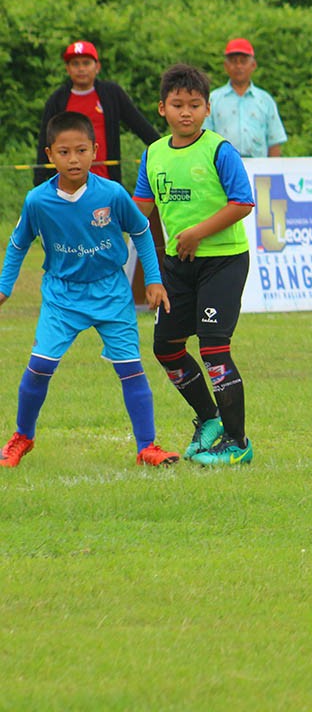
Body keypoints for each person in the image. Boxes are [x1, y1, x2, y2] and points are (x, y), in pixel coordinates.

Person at [0, 112, 178, 468]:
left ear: (95, 151)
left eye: (81, 150)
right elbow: (18, 244)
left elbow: (141, 232)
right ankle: (22, 436)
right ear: (50, 155)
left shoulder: (111, 194)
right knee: (39, 367)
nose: (73, 159)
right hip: (62, 296)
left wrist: (155, 280)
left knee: (131, 369)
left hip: (111, 292)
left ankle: (147, 446)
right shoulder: (37, 200)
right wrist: (4, 286)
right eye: (64, 152)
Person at [133, 64, 255, 466]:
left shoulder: (219, 150)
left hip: (223, 262)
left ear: (207, 110)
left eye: (195, 105)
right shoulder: (153, 155)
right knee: (166, 348)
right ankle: (209, 420)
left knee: (214, 349)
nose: (186, 112)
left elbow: (242, 202)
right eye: (177, 104)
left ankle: (238, 443)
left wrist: (198, 232)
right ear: (162, 108)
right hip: (177, 266)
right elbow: (140, 211)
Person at [35, 40, 160, 186]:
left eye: (86, 63)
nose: (81, 69)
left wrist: (164, 149)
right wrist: (39, 181)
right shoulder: (57, 100)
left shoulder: (111, 94)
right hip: (66, 185)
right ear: (67, 69)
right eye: (75, 64)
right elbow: (45, 139)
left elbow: (140, 126)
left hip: (105, 181)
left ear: (97, 67)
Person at [203, 38, 287, 158]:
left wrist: (273, 169)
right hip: (224, 169)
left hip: (260, 168)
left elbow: (274, 142)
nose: (238, 66)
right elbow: (205, 140)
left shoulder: (265, 100)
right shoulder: (213, 100)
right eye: (233, 61)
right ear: (226, 66)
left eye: (243, 61)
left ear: (253, 65)